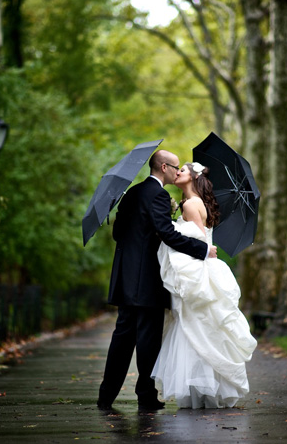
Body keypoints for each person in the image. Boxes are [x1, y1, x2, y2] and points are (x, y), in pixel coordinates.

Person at [97, 150, 218, 412]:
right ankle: (146, 397)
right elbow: (166, 234)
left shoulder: (130, 194)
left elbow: (119, 234)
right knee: (148, 340)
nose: (177, 172)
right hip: (149, 280)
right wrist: (201, 250)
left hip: (126, 278)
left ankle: (106, 395)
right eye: (175, 168)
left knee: (122, 338)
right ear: (164, 167)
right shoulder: (160, 196)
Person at [151, 162, 257, 408]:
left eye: (183, 171)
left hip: (196, 272)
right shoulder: (195, 202)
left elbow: (199, 238)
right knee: (203, 327)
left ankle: (197, 389)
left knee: (194, 327)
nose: (177, 173)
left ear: (193, 178)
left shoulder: (190, 204)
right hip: (200, 269)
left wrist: (170, 227)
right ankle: (207, 387)